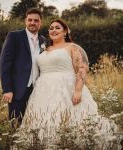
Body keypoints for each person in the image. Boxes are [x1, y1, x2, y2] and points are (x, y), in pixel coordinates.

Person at [18, 19, 120, 148]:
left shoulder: (72, 47)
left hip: (66, 88)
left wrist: (78, 90)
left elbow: (82, 69)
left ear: (65, 31)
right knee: (44, 118)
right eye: (51, 28)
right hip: (43, 90)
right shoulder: (44, 49)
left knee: (71, 117)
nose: (53, 30)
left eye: (57, 27)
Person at [0, 8, 47, 127]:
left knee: (32, 121)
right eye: (29, 20)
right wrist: (7, 89)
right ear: (25, 21)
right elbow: (4, 64)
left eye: (36, 20)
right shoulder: (14, 36)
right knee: (15, 123)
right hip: (17, 89)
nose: (32, 23)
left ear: (41, 22)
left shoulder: (43, 40)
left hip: (36, 89)